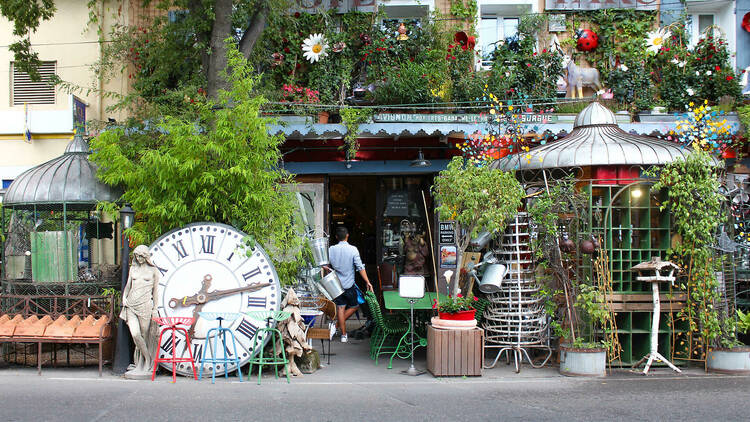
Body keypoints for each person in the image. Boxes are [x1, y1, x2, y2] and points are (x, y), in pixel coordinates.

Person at [119, 245, 160, 378]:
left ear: (146, 256)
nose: (139, 258)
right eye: (137, 256)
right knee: (136, 334)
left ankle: (143, 364)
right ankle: (147, 359)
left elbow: (155, 292)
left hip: (145, 306)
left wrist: (155, 309)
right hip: (131, 305)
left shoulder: (153, 271)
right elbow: (128, 286)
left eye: (142, 256)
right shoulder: (133, 268)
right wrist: (124, 298)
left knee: (145, 335)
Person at [328, 226, 373, 343]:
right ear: (347, 236)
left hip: (336, 285)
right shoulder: (353, 249)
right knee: (354, 306)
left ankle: (343, 335)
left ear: (336, 237)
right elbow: (360, 267)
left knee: (341, 308)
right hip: (349, 285)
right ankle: (337, 326)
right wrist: (367, 281)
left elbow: (326, 264)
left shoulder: (331, 249)